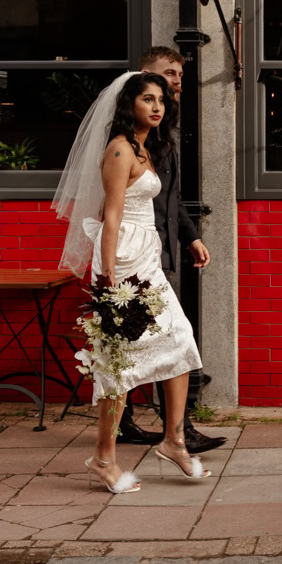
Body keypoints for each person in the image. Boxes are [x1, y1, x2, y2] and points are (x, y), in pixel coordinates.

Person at [53, 72, 209, 493]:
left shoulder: (149, 147)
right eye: (147, 99)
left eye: (161, 100)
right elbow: (112, 216)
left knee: (180, 340)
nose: (157, 107)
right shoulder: (121, 150)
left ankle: (174, 439)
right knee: (118, 364)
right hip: (123, 262)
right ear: (129, 104)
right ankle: (103, 458)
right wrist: (106, 278)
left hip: (149, 258)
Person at [112, 46, 224, 453]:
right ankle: (176, 432)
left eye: (178, 76)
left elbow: (171, 200)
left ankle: (130, 430)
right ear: (144, 77)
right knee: (163, 339)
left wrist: (190, 236)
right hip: (136, 254)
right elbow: (120, 208)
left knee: (141, 340)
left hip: (156, 252)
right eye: (169, 74)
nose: (177, 81)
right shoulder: (129, 140)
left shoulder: (160, 132)